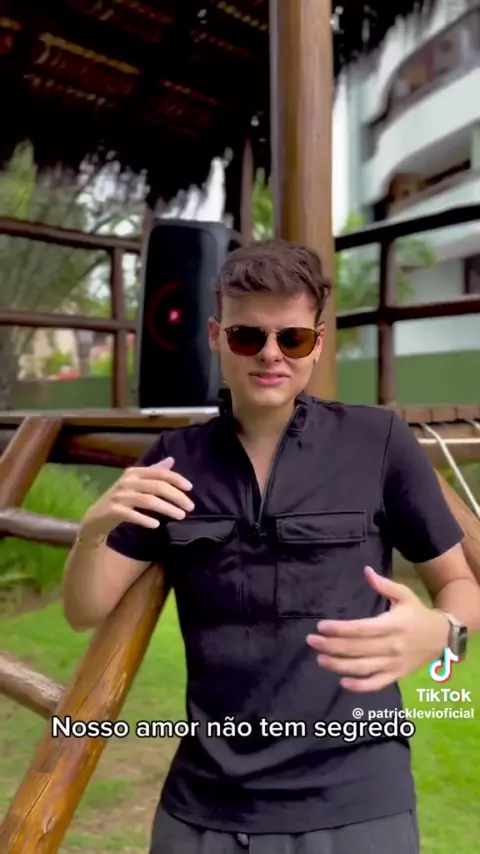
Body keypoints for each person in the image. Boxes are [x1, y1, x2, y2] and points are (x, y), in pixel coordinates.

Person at [62, 239, 480, 854]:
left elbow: (461, 584)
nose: (270, 354)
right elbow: (83, 609)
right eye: (247, 336)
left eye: (293, 338)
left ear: (318, 340)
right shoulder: (174, 462)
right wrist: (92, 528)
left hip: (357, 803)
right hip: (203, 808)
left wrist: (443, 633)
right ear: (216, 336)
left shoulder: (378, 441)